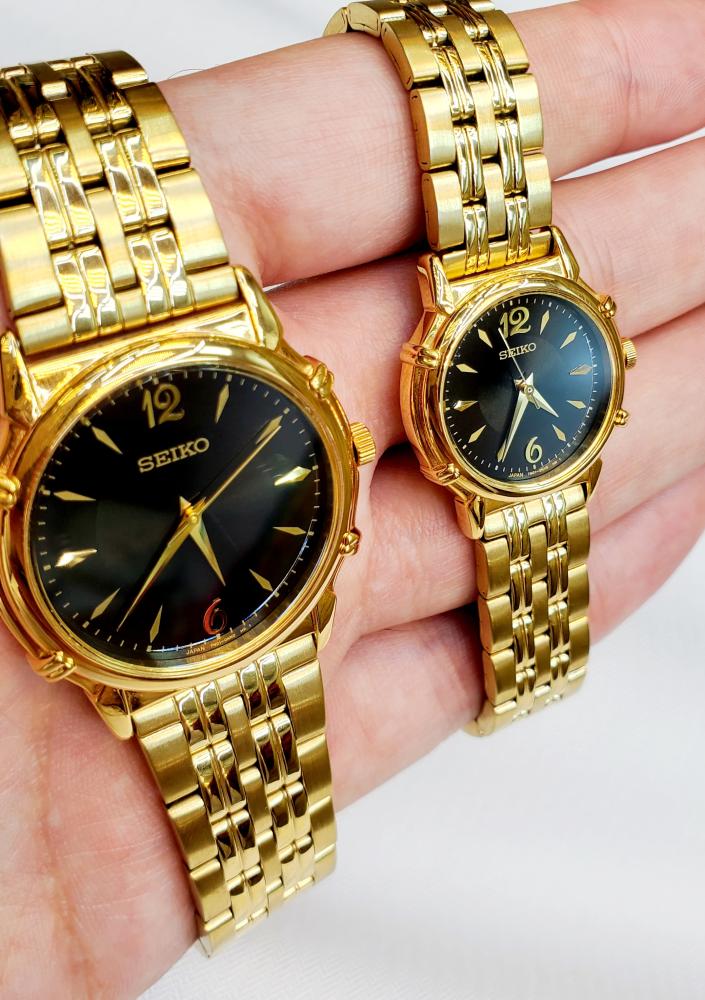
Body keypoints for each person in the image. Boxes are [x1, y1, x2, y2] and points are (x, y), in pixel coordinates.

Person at [2, 0, 705, 994]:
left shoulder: (287, 426)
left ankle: (260, 864)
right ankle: (260, 867)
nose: (189, 512)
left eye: (196, 504)